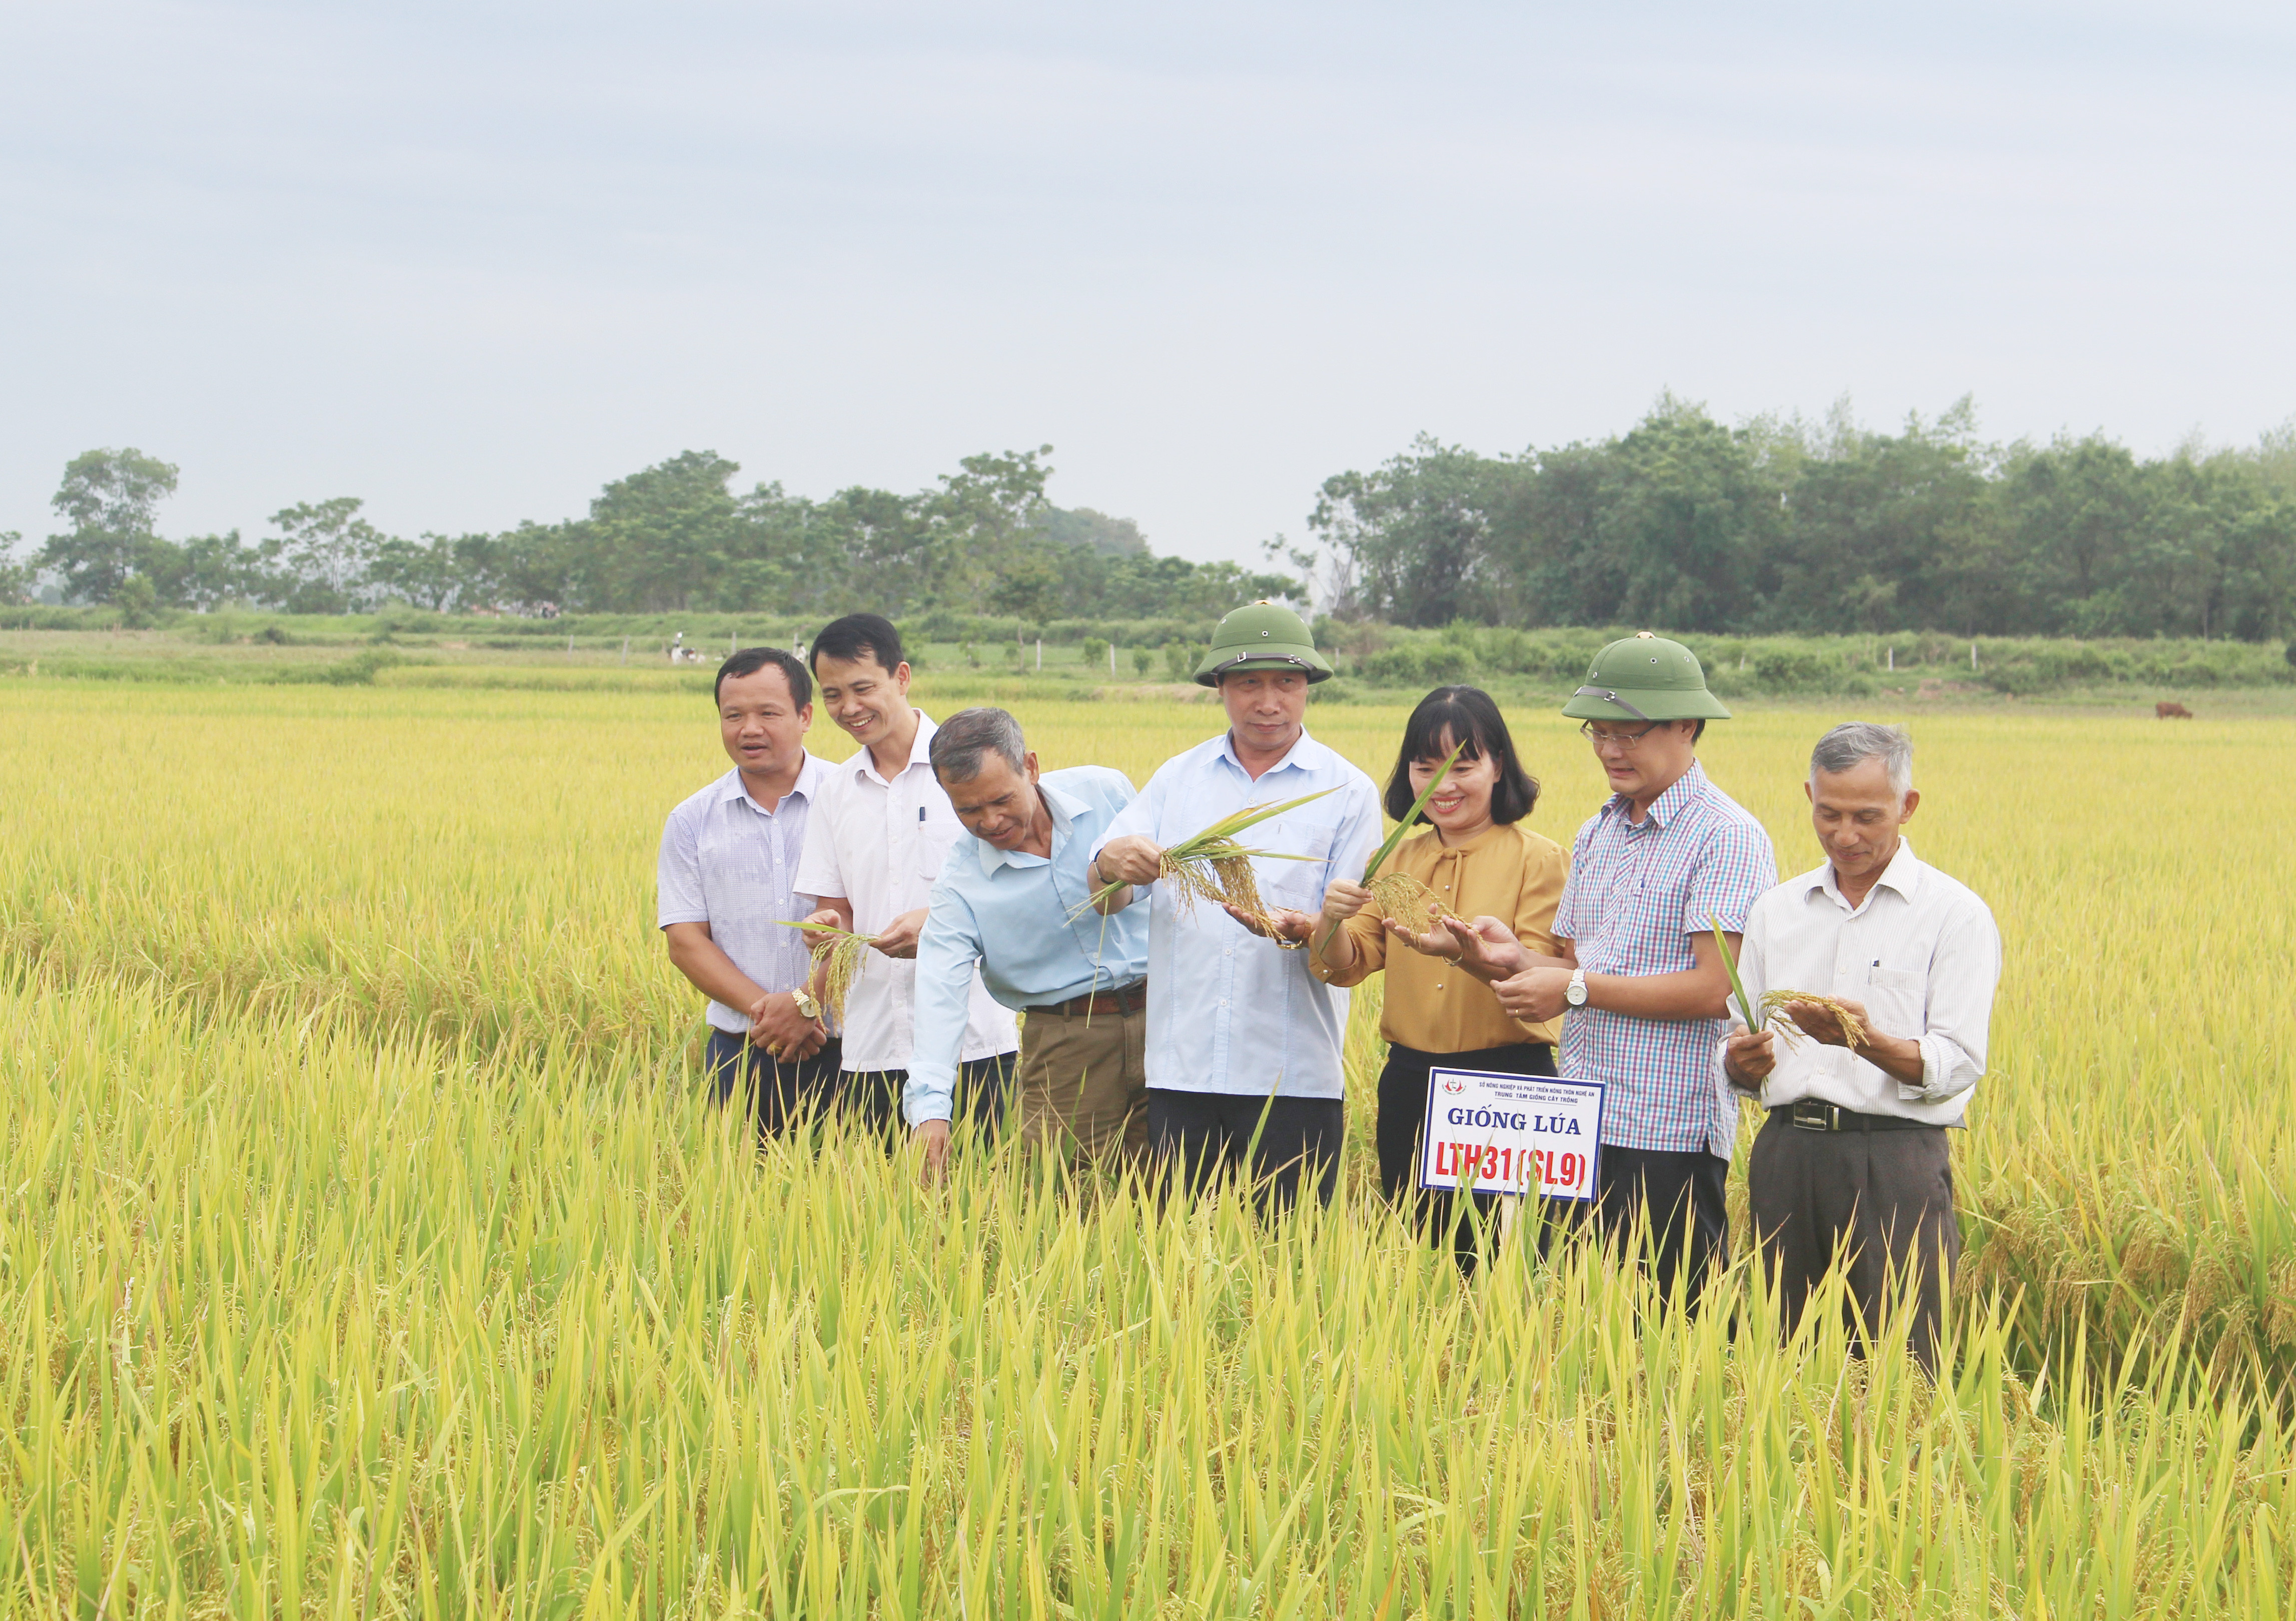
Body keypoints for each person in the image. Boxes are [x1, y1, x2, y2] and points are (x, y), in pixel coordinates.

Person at [1442, 632, 1776, 1308]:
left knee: (1672, 1328)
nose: (1609, 750)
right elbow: (1570, 968)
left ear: (1686, 726)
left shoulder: (1726, 836)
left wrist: (1570, 985)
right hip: (1577, 1121)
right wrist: (1500, 959)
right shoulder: (1599, 831)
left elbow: (1718, 990)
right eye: (1598, 732)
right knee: (1575, 1320)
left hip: (1666, 1129)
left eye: (1629, 733)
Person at [1722, 723, 2000, 1372]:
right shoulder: (1775, 911)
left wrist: (1866, 1042)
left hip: (1894, 1161)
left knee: (1902, 1365)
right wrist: (1739, 1061)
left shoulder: (1953, 916)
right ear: (1808, 797)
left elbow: (1955, 1065)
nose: (1845, 835)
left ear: (1906, 808)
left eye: (1866, 817)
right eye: (1829, 814)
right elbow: (1738, 1034)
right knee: (1781, 1359)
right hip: (1786, 1154)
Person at [1091, 601, 1381, 1208]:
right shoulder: (1179, 779)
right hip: (1182, 1068)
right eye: (1249, 683)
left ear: (1308, 690)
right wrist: (1111, 864)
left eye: (1287, 683)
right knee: (1177, 1256)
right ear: (1220, 687)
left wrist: (1311, 928)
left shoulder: (1347, 791)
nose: (1268, 701)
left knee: (1288, 1266)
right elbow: (1106, 898)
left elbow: (1356, 944)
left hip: (1292, 1074)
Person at [1310, 685, 1568, 1273]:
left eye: (1463, 765)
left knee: (1514, 1264)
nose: (1443, 785)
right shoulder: (1395, 861)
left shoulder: (1540, 858)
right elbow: (1346, 965)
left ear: (1498, 766)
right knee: (1422, 1260)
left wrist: (1466, 953)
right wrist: (1331, 917)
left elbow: (1538, 980)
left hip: (1509, 1085)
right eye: (1426, 767)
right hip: (1412, 1083)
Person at [794, 614, 1019, 1141]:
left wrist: (939, 923)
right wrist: (825, 926)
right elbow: (838, 910)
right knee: (881, 1215)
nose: (849, 708)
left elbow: (1024, 888)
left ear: (901, 677)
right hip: (875, 1046)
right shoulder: (836, 791)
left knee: (986, 1209)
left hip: (975, 1045)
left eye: (862, 688)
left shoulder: (974, 769)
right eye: (832, 695)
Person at [903, 707, 1152, 1182]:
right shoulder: (960, 886)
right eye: (969, 811)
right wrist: (931, 1110)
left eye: (1001, 799)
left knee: (1185, 1182)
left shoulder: (1106, 792)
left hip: (1169, 1017)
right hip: (1067, 1043)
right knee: (1064, 1199)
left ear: (1031, 767)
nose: (991, 821)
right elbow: (940, 994)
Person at [657, 647, 836, 1137]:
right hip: (744, 1047)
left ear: (805, 717)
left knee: (864, 1193)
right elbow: (686, 941)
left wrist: (804, 1006)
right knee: (741, 1199)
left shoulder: (851, 799)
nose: (748, 729)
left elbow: (873, 921)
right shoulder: (692, 819)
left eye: (767, 714)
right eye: (733, 715)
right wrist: (774, 1015)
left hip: (855, 1048)